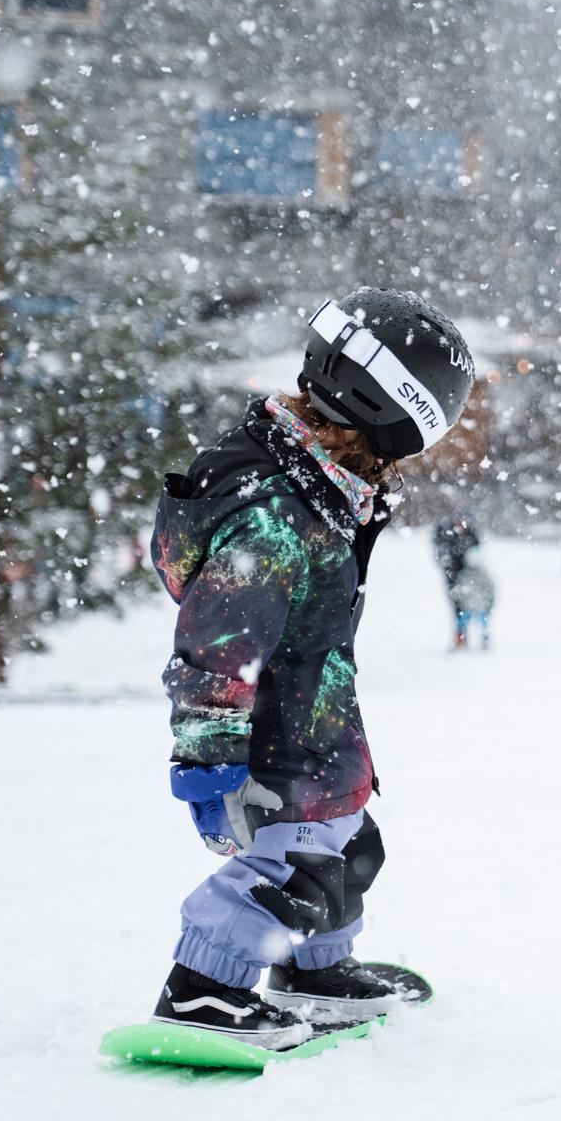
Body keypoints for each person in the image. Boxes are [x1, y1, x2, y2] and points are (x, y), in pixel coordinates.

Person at [148, 287, 473, 1047]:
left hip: (316, 717)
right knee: (293, 867)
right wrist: (207, 761)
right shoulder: (277, 512)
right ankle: (201, 990)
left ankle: (312, 970)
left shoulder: (321, 486)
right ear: (395, 414)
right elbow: (215, 647)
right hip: (271, 730)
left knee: (350, 846)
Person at [432, 510, 480, 647]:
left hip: (468, 576)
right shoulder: (447, 534)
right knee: (457, 607)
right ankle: (460, 636)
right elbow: (440, 552)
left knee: (468, 606)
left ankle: (464, 635)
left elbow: (477, 553)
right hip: (452, 576)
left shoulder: (472, 535)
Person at [449, 542, 497, 650]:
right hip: (467, 607)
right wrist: (458, 600)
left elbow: (490, 591)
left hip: (480, 607)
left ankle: (485, 642)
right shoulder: (464, 575)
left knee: (483, 626)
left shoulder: (484, 576)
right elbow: (458, 590)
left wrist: (489, 604)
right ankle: (460, 641)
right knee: (462, 624)